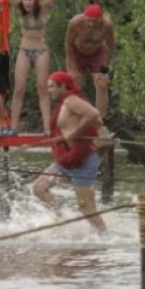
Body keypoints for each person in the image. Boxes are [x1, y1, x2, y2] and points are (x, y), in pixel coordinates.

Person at [32, 71, 106, 232]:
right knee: (39, 188)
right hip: (67, 158)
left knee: (86, 208)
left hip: (83, 159)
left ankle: (105, 236)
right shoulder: (64, 103)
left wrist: (73, 134)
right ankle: (63, 219)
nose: (48, 90)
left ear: (63, 86)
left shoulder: (72, 100)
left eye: (51, 86)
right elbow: (97, 121)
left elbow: (95, 116)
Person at [3, 0, 59, 135]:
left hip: (40, 49)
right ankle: (13, 127)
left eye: (30, 0)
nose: (27, 2)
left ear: (35, 1)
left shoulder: (43, 9)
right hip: (24, 49)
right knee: (19, 89)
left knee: (42, 88)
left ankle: (48, 127)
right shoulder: (20, 9)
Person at [65, 4, 116, 118]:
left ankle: (100, 120)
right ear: (84, 17)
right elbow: (68, 46)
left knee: (101, 83)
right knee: (74, 82)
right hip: (77, 54)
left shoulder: (107, 25)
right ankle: (75, 118)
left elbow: (111, 46)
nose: (91, 24)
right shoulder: (75, 23)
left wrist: (104, 69)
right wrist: (71, 68)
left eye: (95, 21)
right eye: (89, 21)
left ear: (101, 18)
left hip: (97, 55)